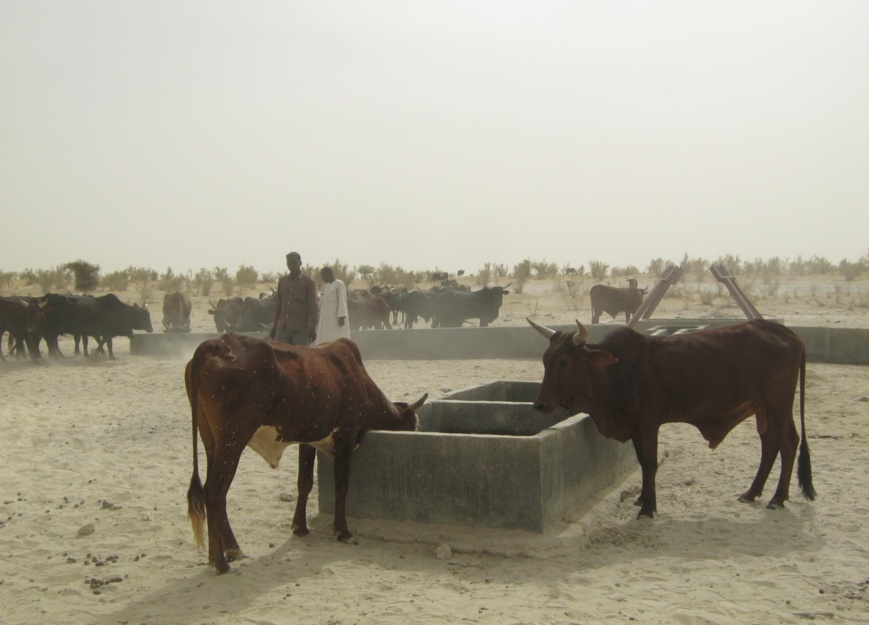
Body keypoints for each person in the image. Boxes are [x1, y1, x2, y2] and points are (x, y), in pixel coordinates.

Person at [269, 252, 319, 345]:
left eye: (294, 263)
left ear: (300, 263)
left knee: (300, 357)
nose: (291, 265)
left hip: (301, 329)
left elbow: (313, 306)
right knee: (280, 356)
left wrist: (313, 327)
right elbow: (278, 305)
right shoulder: (283, 281)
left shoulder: (308, 282)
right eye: (289, 263)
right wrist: (275, 327)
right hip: (283, 328)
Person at [315, 266, 351, 345]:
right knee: (326, 338)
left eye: (323, 276)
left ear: (329, 274)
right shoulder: (327, 285)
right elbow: (323, 301)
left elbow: (342, 300)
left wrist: (341, 317)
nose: (323, 279)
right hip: (326, 318)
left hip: (336, 318)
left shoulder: (339, 284)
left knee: (337, 339)